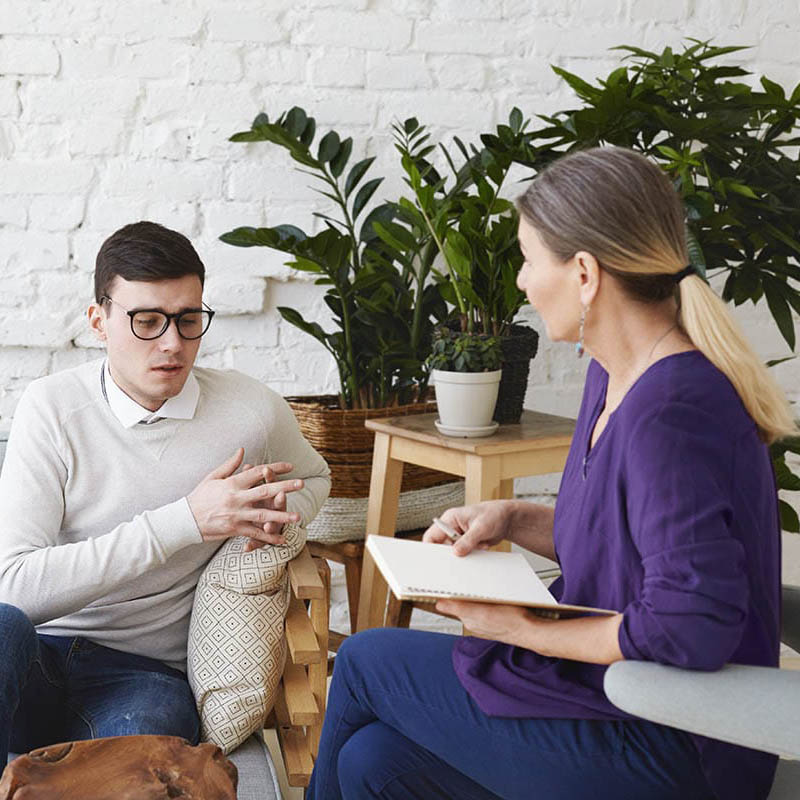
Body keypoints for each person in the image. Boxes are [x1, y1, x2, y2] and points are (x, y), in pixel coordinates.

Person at [306, 147, 796, 800]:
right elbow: (633, 545)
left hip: (673, 740)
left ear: (586, 274)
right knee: (373, 762)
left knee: (367, 661)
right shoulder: (612, 374)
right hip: (611, 700)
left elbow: (689, 625)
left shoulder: (672, 411)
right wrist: (510, 518)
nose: (522, 285)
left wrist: (523, 629)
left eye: (530, 260)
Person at [0, 221, 330, 762]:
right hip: (36, 651)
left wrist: (276, 511)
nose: (173, 344)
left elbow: (317, 478)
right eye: (147, 321)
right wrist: (186, 522)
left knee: (152, 751)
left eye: (188, 320)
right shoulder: (52, 408)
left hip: (141, 674)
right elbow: (13, 588)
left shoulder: (251, 410)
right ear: (98, 322)